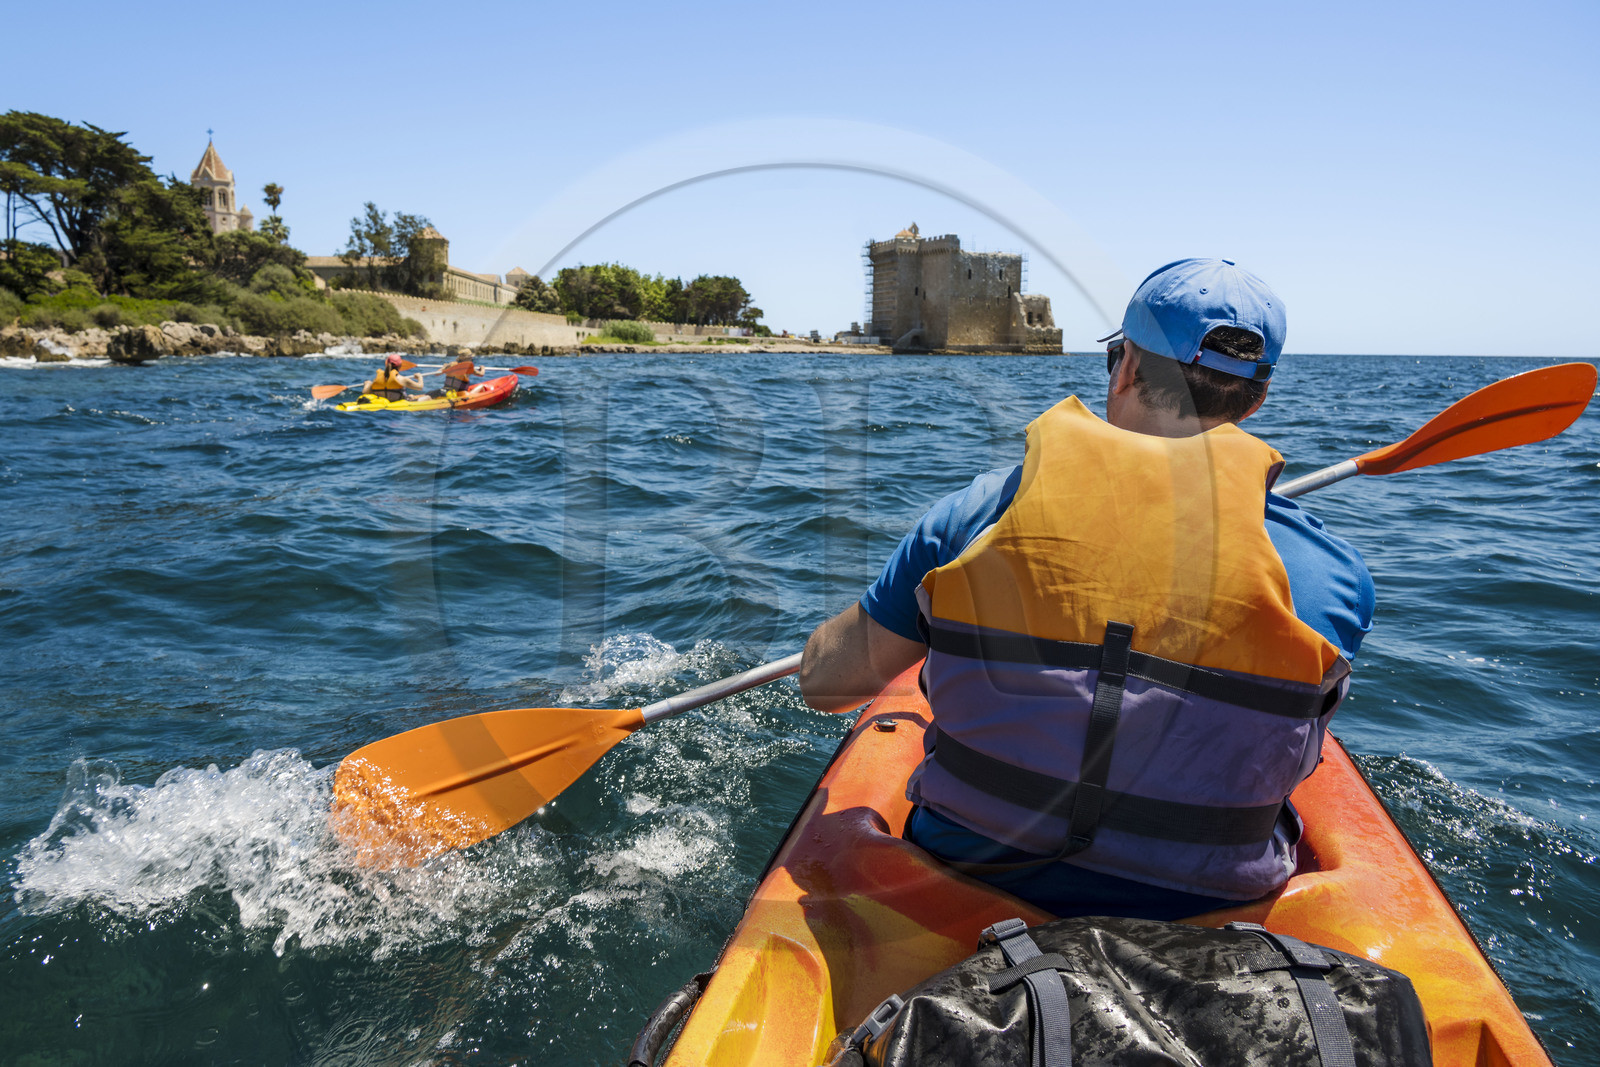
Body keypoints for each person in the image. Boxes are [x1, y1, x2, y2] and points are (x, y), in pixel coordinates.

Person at [798, 258, 1374, 920]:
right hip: (1208, 923)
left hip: (965, 899)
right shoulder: (1336, 575)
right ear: (1257, 399)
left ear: (1126, 367)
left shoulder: (975, 517)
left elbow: (826, 685)